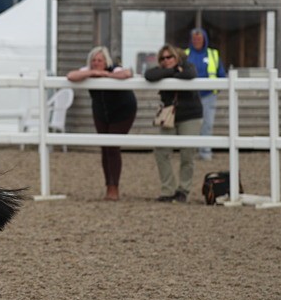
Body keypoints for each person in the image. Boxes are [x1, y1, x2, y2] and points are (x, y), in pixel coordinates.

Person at [66, 46, 136, 200]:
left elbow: (127, 74)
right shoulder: (88, 70)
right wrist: (93, 73)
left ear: (106, 61)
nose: (96, 63)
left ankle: (114, 188)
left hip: (123, 111)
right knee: (104, 147)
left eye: (100, 60)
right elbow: (71, 76)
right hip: (101, 112)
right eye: (94, 60)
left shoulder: (115, 69)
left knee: (112, 147)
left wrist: (106, 75)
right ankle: (108, 186)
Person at [144, 44, 203, 202]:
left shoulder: (187, 66)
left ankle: (183, 190)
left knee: (187, 155)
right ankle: (168, 190)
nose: (166, 60)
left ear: (177, 57)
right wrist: (172, 71)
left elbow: (190, 74)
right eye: (162, 58)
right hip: (169, 116)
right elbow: (149, 75)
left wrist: (167, 74)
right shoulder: (164, 70)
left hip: (190, 115)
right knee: (161, 151)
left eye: (169, 57)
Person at [185, 27, 225, 160]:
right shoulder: (185, 55)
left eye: (199, 38)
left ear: (204, 39)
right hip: (190, 97)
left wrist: (216, 89)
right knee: (189, 125)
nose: (197, 41)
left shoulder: (213, 54)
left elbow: (221, 75)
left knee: (207, 124)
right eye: (194, 39)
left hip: (208, 96)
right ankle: (189, 153)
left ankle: (205, 152)